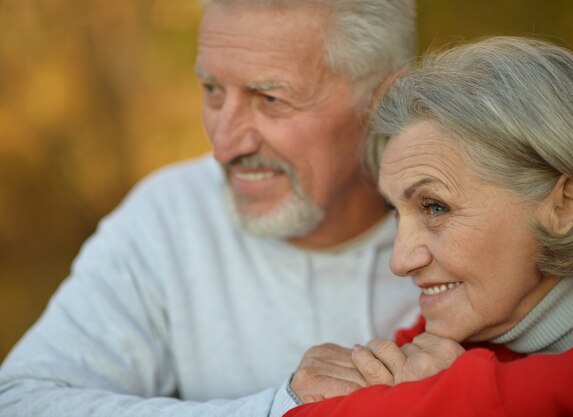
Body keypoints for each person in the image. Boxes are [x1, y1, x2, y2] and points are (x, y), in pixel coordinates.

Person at [0, 1, 421, 416]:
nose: (223, 146)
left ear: (384, 98)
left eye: (270, 98)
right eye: (213, 91)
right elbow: (21, 400)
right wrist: (278, 410)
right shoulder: (168, 218)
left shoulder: (469, 236)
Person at [283, 36, 573, 416]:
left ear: (563, 207)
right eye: (396, 212)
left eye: (434, 207)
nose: (400, 261)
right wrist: (497, 395)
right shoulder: (431, 354)